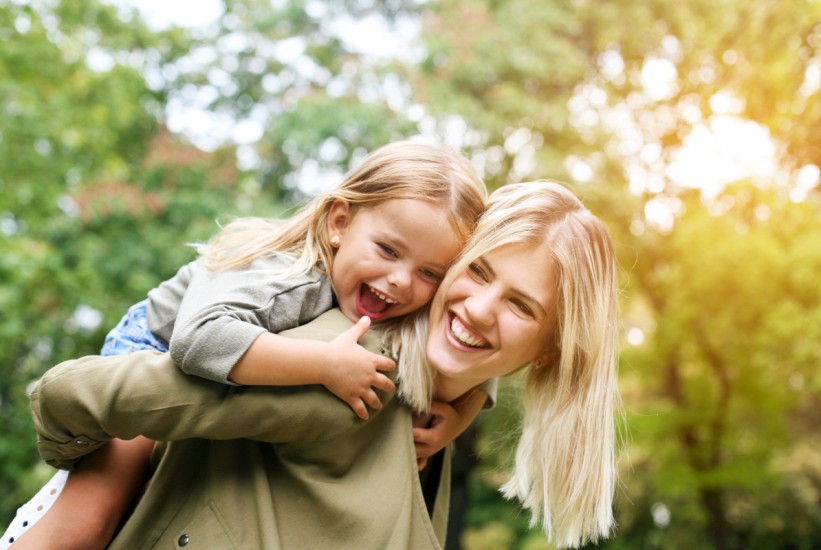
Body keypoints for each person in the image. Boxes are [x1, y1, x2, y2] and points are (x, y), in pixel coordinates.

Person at [22, 181, 621, 549]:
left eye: (520, 305)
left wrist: (466, 407)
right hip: (167, 337)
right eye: (480, 272)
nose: (481, 308)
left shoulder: (435, 413)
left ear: (549, 350)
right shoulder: (347, 368)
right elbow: (78, 392)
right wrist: (81, 452)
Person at [3, 140, 489, 549]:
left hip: (227, 358)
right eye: (388, 250)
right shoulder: (284, 277)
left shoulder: (397, 297)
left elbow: (478, 349)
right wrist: (323, 364)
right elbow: (198, 341)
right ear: (339, 223)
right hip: (157, 342)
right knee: (92, 518)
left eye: (430, 273)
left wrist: (463, 411)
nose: (402, 281)